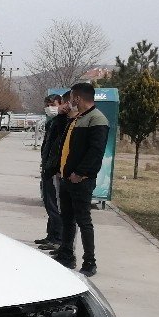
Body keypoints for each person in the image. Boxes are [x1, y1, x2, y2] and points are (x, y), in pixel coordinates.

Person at [50, 82, 109, 276]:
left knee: (84, 221)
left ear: (77, 98)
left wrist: (80, 173)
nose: (70, 102)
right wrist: (61, 115)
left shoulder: (97, 119)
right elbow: (60, 139)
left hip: (81, 180)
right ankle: (66, 255)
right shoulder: (76, 118)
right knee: (67, 218)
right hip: (67, 177)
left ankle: (89, 262)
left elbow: (96, 151)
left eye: (72, 98)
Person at [35, 94, 67, 250]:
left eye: (52, 103)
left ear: (61, 103)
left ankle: (58, 239)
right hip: (47, 167)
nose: (49, 107)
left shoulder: (63, 121)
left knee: (55, 205)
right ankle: (51, 236)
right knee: (48, 203)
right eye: (47, 104)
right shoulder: (52, 121)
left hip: (55, 169)